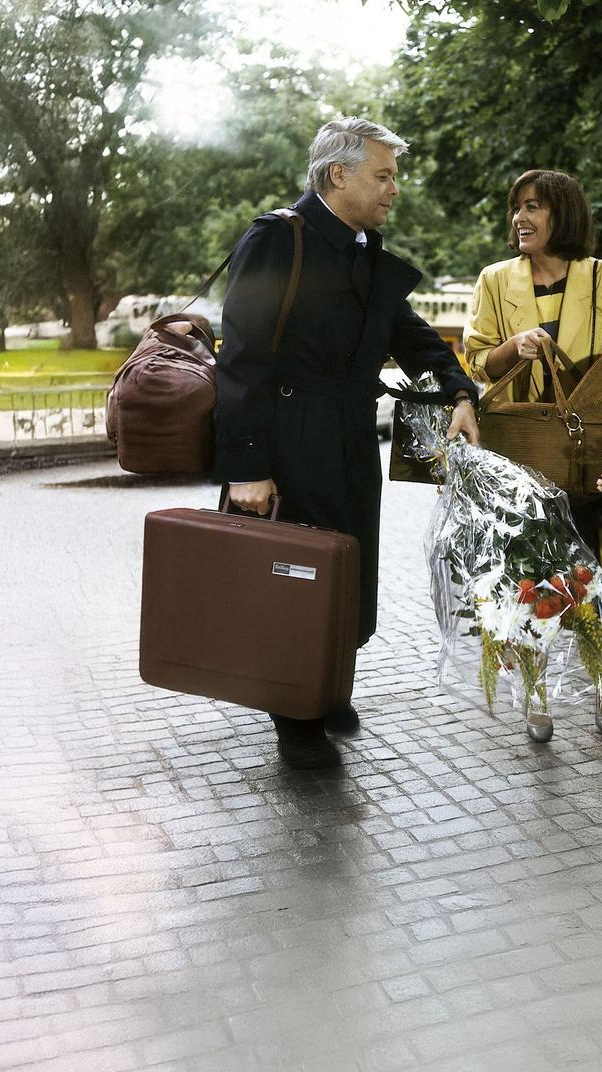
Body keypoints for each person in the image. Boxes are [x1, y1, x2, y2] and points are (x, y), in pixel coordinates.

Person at [213, 117, 481, 770]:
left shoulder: (367, 252)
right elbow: (242, 358)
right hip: (287, 445)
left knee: (348, 574)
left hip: (353, 445)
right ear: (339, 174)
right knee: (293, 580)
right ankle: (295, 716)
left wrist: (460, 391)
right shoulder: (278, 240)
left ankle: (329, 685)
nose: (395, 189)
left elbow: (413, 335)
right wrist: (247, 469)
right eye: (383, 175)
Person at [462, 170, 602, 596]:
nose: (519, 216)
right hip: (515, 458)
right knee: (519, 597)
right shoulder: (494, 279)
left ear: (565, 214)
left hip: (584, 463)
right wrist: (511, 347)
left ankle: (593, 659)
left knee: (590, 596)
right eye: (517, 207)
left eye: (532, 206)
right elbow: (478, 362)